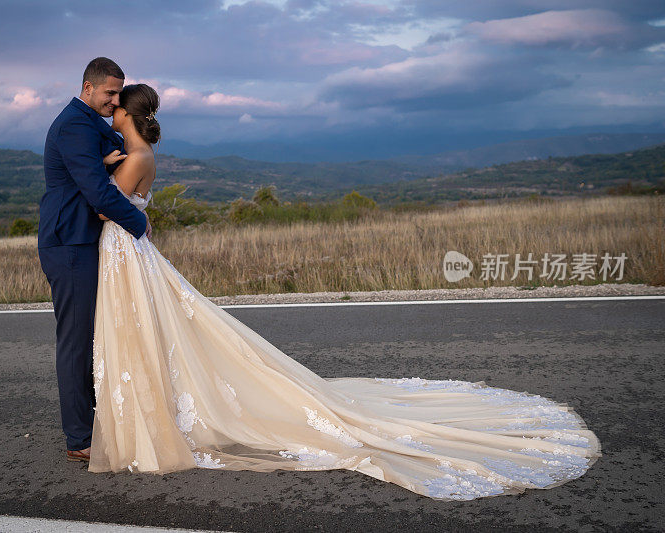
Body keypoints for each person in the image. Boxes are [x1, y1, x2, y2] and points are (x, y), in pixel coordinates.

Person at [88, 84, 601, 500]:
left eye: (115, 107)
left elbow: (107, 208)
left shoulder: (133, 156)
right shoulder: (136, 153)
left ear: (128, 115)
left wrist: (100, 177)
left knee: (147, 328)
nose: (110, 113)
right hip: (131, 250)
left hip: (123, 249)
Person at [38, 57, 151, 463]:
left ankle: (96, 421)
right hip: (69, 242)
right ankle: (79, 438)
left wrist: (108, 158)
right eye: (110, 92)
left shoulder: (91, 124)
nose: (115, 99)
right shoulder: (73, 125)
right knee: (75, 340)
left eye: (119, 93)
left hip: (86, 242)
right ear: (88, 88)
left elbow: (120, 147)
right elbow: (99, 196)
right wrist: (139, 223)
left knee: (91, 334)